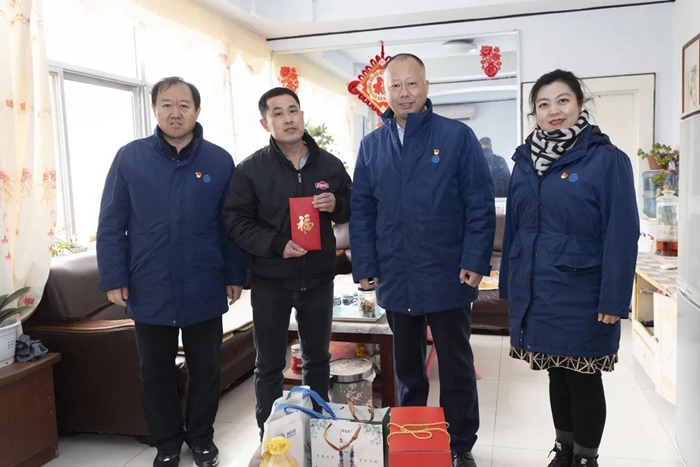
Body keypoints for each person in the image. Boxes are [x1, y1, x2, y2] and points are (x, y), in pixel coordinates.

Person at [350, 53, 495, 467]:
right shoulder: (372, 145)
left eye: (411, 84)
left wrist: (475, 259)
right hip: (396, 275)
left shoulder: (456, 136)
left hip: (448, 273)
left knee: (455, 365)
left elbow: (479, 203)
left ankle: (460, 444)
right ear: (384, 91)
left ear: (427, 87)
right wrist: (366, 265)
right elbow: (362, 210)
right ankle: (414, 441)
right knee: (408, 369)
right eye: (395, 85)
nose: (404, 93)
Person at [97, 77, 247, 467]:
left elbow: (229, 225)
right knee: (154, 372)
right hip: (149, 284)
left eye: (184, 105)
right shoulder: (130, 157)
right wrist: (114, 276)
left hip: (203, 281)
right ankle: (165, 443)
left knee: (206, 369)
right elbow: (111, 222)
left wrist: (235, 274)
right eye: (166, 104)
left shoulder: (219, 161)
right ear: (154, 109)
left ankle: (201, 438)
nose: (175, 112)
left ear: (197, 111)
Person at [499, 69, 639, 467]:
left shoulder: (607, 159)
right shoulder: (524, 161)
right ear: (535, 113)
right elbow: (516, 230)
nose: (554, 111)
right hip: (538, 291)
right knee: (555, 373)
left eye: (563, 100)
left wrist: (614, 298)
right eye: (544, 104)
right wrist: (511, 287)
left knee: (583, 375)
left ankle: (586, 459)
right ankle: (564, 451)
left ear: (580, 104)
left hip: (583, 292)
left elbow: (621, 232)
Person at [222, 87, 352, 437]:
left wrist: (336, 205)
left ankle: (317, 431)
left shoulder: (329, 165)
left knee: (318, 360)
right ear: (265, 123)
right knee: (268, 365)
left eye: (293, 110)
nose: (288, 118)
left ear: (302, 116)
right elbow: (235, 221)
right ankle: (270, 437)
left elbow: (354, 207)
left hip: (318, 280)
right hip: (271, 281)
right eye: (277, 113)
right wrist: (276, 245)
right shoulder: (250, 170)